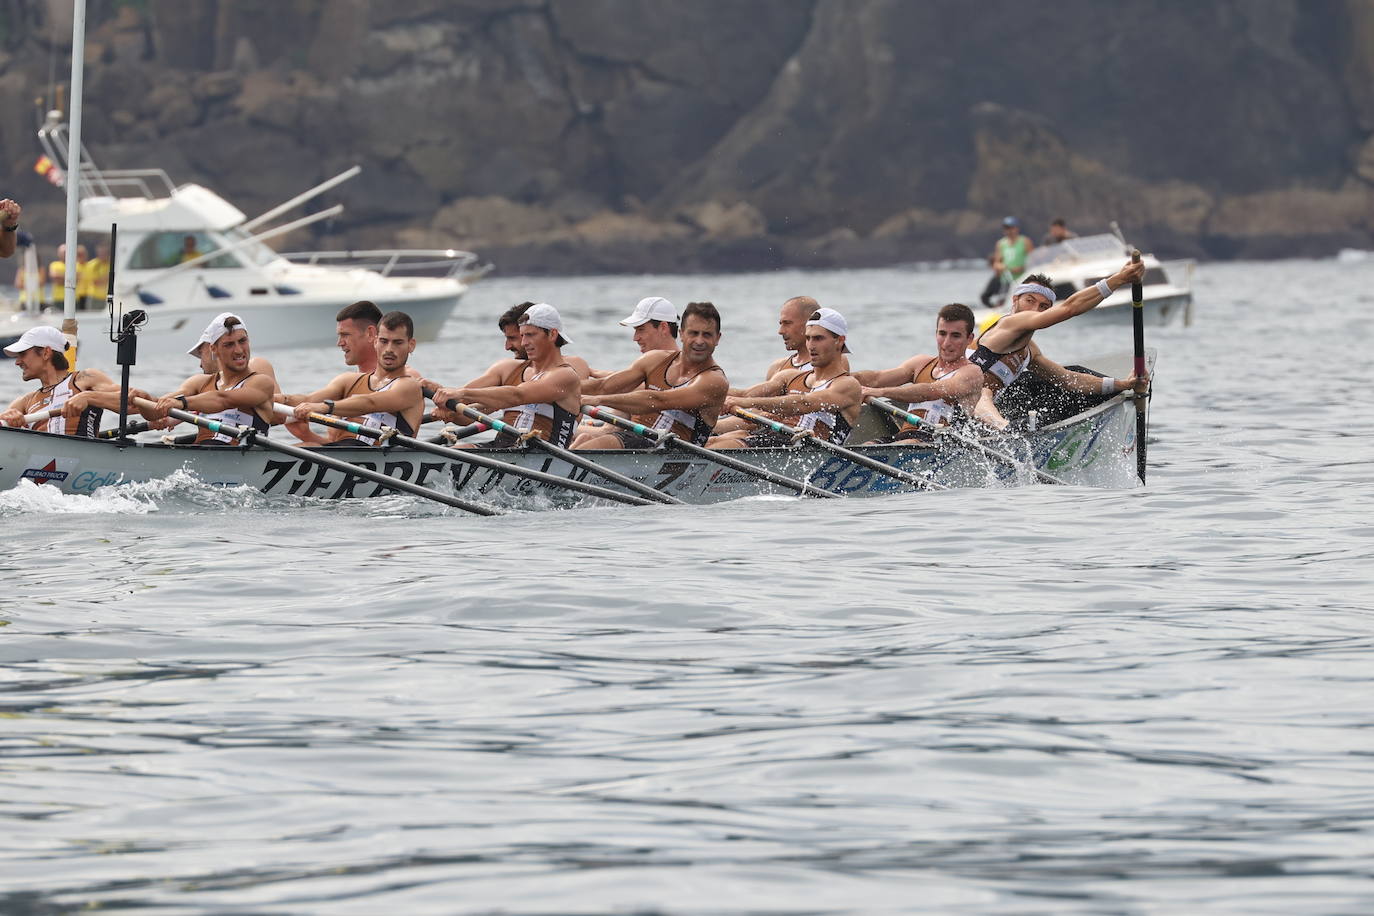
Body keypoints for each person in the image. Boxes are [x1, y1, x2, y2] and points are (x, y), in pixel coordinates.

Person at [970, 262, 1147, 430]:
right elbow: (1070, 308)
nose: (1034, 309)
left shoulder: (1029, 351)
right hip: (959, 405)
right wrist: (1119, 279)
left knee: (1068, 379)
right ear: (1015, 300)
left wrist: (1122, 385)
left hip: (987, 407)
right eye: (1029, 301)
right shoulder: (1008, 324)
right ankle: (1005, 429)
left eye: (1043, 306)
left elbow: (1070, 380)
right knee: (986, 391)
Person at [576, 301, 728, 449]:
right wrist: (562, 389)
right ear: (681, 334)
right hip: (638, 443)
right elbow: (603, 386)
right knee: (584, 442)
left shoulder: (714, 380)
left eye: (707, 335)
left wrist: (597, 400)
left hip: (675, 455)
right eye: (693, 333)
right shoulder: (654, 359)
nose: (699, 341)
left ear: (718, 338)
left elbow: (658, 400)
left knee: (599, 444)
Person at [430, 303, 581, 448]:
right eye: (522, 336)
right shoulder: (513, 369)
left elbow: (518, 395)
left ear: (552, 334)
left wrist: (461, 392)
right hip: (502, 450)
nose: (524, 342)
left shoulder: (565, 375)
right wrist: (450, 411)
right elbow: (465, 418)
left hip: (544, 457)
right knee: (456, 451)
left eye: (530, 335)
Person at [710, 307, 861, 449]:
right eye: (808, 338)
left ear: (839, 341)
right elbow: (745, 394)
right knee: (711, 442)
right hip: (773, 438)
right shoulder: (790, 377)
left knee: (726, 446)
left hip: (807, 450)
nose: (811, 346)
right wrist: (701, 393)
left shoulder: (847, 385)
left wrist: (743, 403)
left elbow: (804, 403)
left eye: (818, 338)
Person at [135, 314, 276, 444]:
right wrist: (143, 399)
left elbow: (223, 399)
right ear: (214, 349)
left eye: (242, 341)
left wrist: (181, 403)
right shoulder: (198, 383)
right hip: (198, 461)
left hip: (242, 461)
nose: (239, 350)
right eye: (229, 344)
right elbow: (156, 413)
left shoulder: (261, 383)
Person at [289, 311, 425, 445]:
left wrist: (324, 407)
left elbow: (370, 403)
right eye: (384, 341)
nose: (389, 349)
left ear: (411, 345)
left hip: (382, 460)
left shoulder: (410, 385)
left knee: (307, 448)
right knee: (305, 446)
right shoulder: (350, 381)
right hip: (345, 457)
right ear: (376, 341)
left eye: (398, 343)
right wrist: (273, 401)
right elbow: (307, 400)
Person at [855, 303, 983, 443]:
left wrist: (881, 392)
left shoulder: (972, 373)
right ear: (936, 333)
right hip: (905, 438)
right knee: (868, 445)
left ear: (970, 339)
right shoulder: (920, 363)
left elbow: (928, 392)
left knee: (907, 444)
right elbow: (875, 379)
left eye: (955, 336)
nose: (946, 343)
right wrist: (842, 379)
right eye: (942, 334)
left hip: (944, 444)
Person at [710, 295, 828, 440]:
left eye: (787, 323)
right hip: (772, 436)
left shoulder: (830, 363)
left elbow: (803, 404)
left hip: (805, 441)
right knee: (715, 438)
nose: (780, 331)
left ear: (808, 325)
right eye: (780, 323)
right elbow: (753, 411)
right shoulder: (778, 368)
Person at [0, 325, 115, 437]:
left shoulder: (85, 378)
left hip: (85, 454)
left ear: (46, 353)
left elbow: (131, 404)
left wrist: (88, 398)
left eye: (23, 354)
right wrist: (7, 419)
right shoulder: (24, 402)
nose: (17, 362)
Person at [980, 216, 1034, 308]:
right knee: (986, 297)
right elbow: (997, 262)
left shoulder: (1025, 241)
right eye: (1006, 228)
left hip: (1021, 278)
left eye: (1011, 228)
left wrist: (1021, 269)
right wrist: (1000, 267)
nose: (1009, 231)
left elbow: (1033, 260)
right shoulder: (1001, 244)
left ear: (1016, 228)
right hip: (1007, 279)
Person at [78, 242, 110, 310]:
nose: (103, 255)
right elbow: (96, 281)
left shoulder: (111, 264)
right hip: (94, 297)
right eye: (101, 253)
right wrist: (108, 277)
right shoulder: (92, 264)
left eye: (105, 253)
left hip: (107, 298)